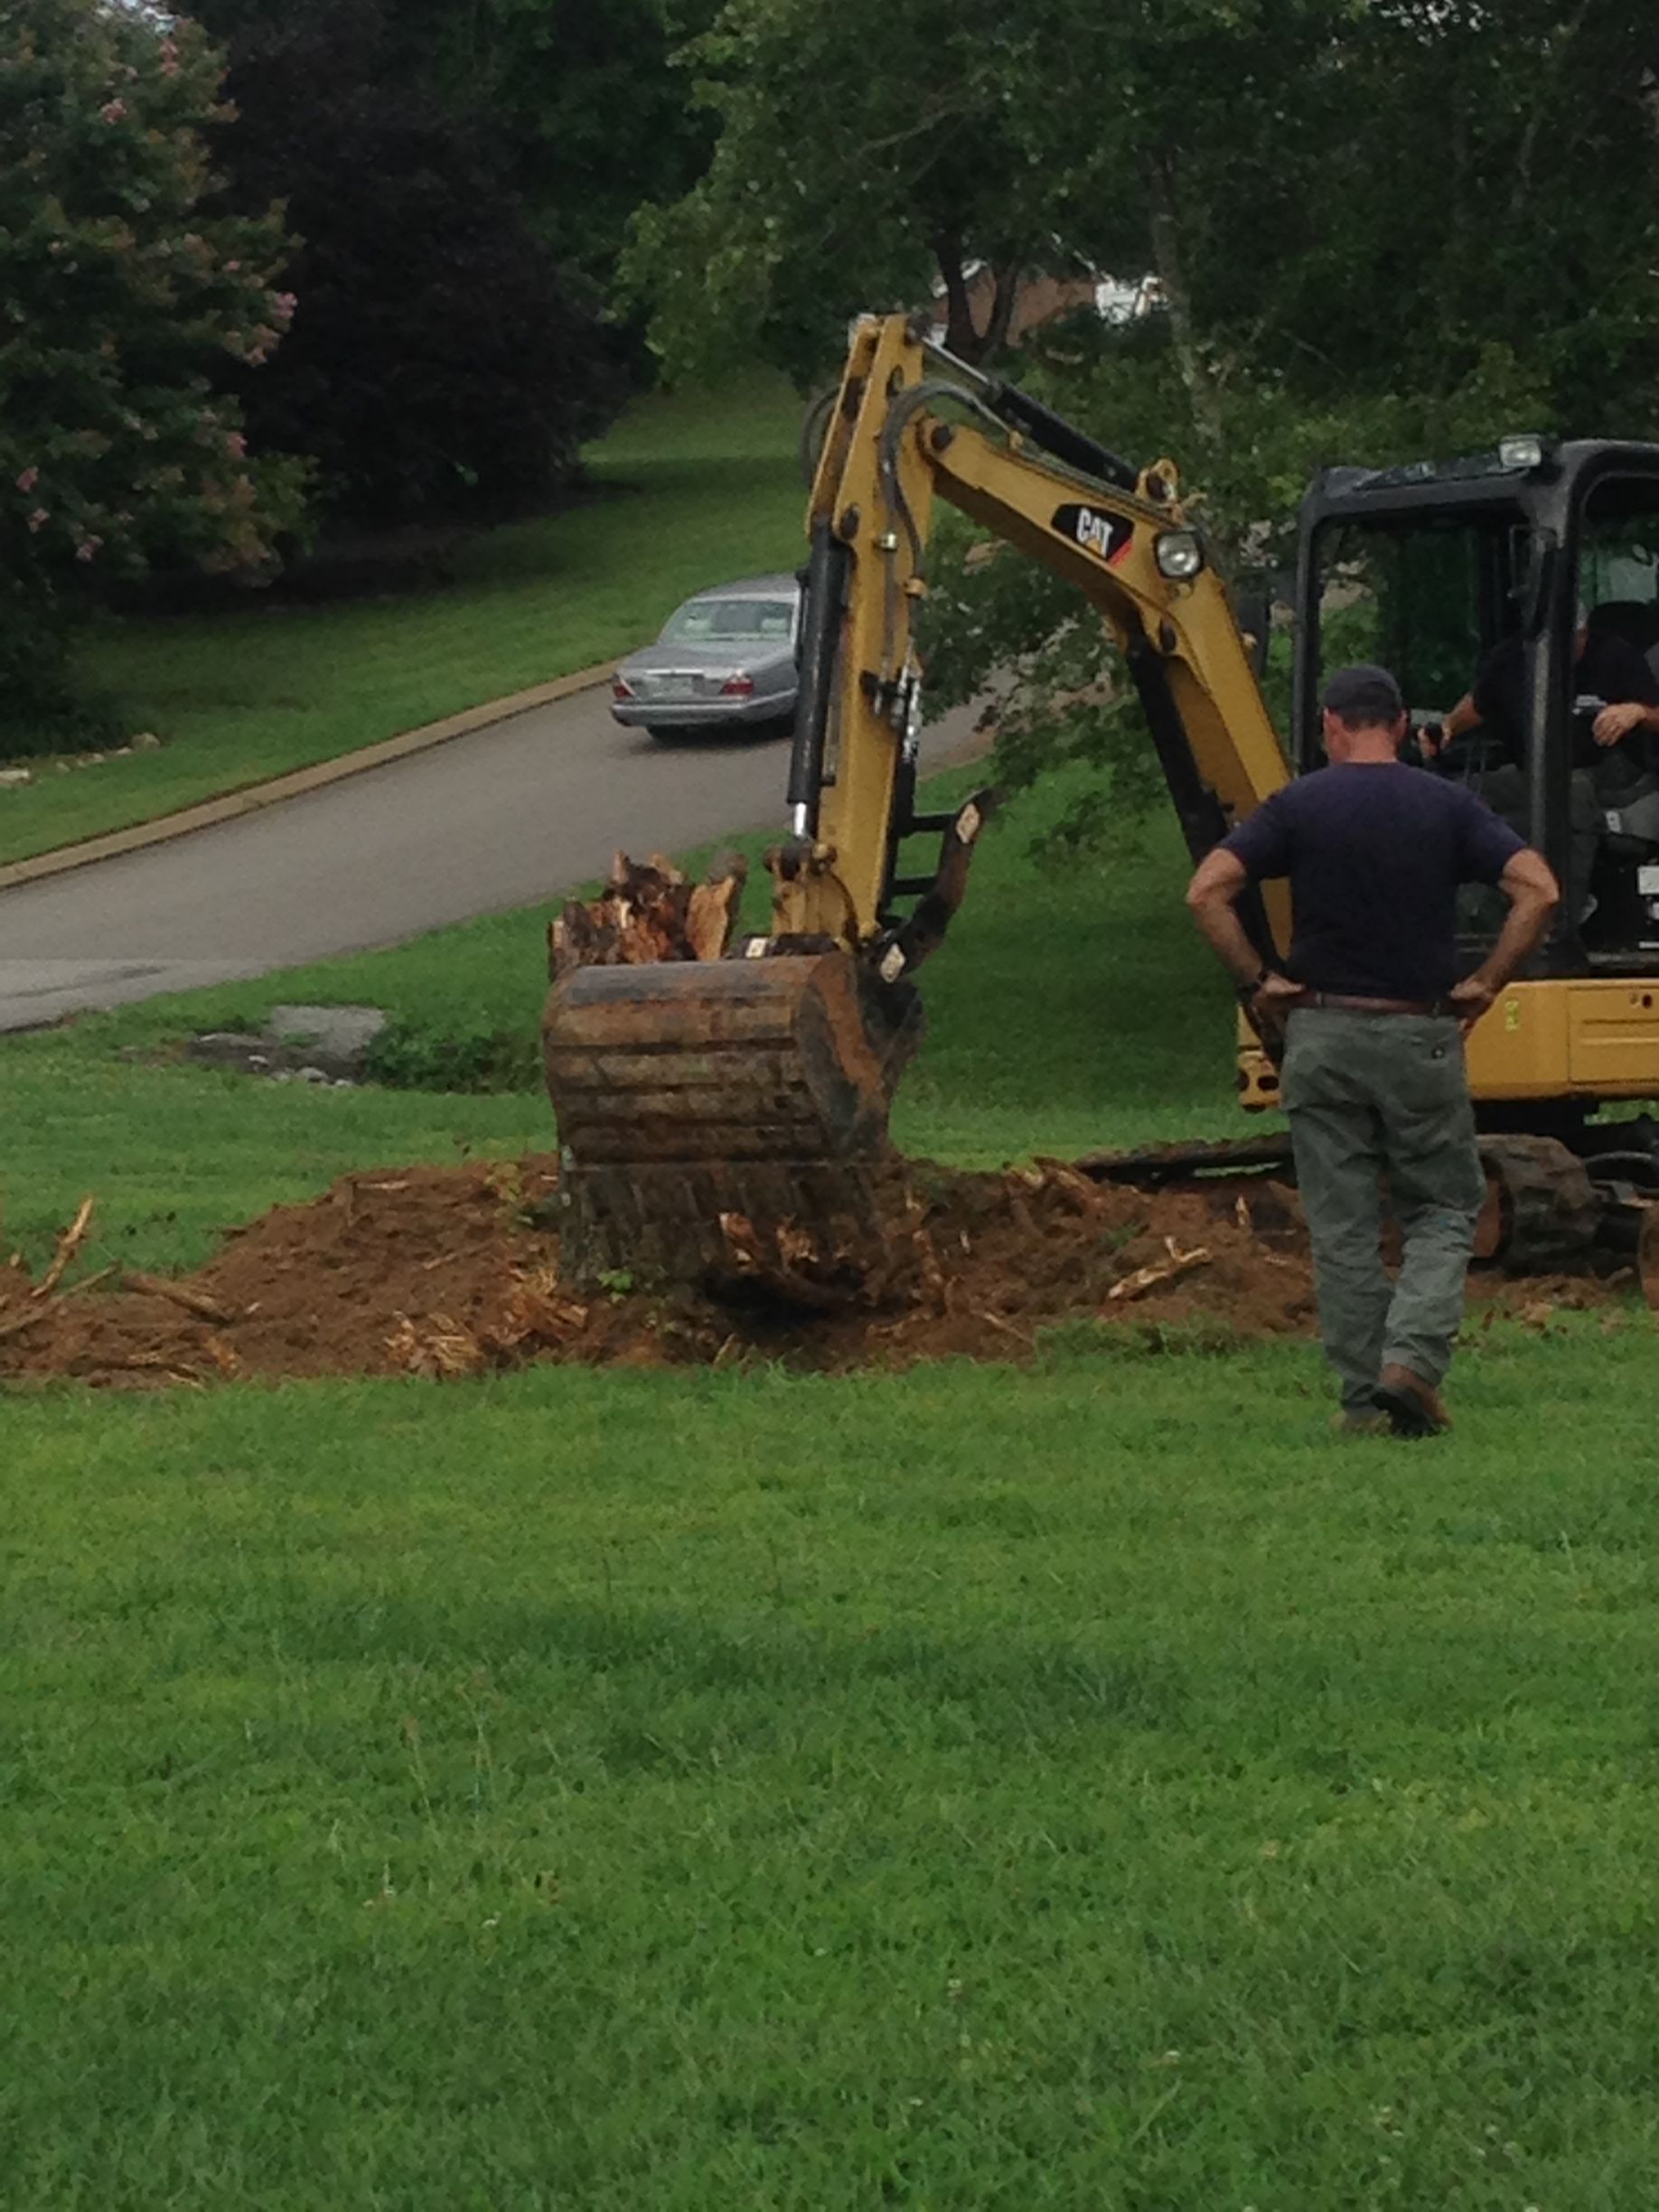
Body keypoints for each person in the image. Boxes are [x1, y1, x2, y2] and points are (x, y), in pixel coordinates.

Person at [1186, 664, 1560, 1439]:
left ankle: (1363, 1403)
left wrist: (1260, 980)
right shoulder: (1447, 804)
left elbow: (1207, 891)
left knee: (1344, 1225)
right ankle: (1411, 1367)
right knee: (1447, 1206)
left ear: (1329, 725)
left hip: (1320, 1035)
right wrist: (1487, 980)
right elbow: (1540, 890)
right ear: (1396, 724)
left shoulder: (1297, 805)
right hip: (1417, 1031)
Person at [1428, 607, 1659, 919]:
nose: (1562, 652)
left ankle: (1563, 914)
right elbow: (1480, 703)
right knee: (1458, 796)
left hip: (1610, 771)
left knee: (1571, 793)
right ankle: (1469, 915)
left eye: (1573, 640)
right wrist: (1448, 727)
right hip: (1532, 768)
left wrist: (1638, 712)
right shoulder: (1510, 660)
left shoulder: (1617, 657)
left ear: (1585, 634)